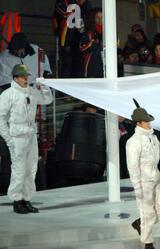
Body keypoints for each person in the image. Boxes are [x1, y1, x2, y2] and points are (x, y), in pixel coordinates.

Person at [0, 64, 53, 214]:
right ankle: (17, 201)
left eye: (26, 76)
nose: (26, 78)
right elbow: (0, 118)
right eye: (23, 76)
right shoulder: (8, 94)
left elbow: (47, 100)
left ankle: (26, 199)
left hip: (30, 133)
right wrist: (8, 138)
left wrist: (44, 87)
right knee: (19, 168)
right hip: (17, 136)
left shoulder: (31, 91)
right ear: (15, 78)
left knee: (31, 169)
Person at [127, 102, 160, 249]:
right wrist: (137, 186)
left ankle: (141, 223)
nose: (149, 123)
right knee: (148, 213)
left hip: (155, 178)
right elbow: (132, 167)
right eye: (147, 121)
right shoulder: (133, 142)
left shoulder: (152, 138)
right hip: (144, 182)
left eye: (149, 120)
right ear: (139, 123)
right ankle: (147, 242)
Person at [53, 0, 91, 79]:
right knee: (66, 66)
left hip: (79, 40)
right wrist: (77, 5)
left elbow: (88, 14)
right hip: (66, 40)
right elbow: (64, 13)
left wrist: (82, 4)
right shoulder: (63, 2)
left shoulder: (84, 4)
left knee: (78, 67)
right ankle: (64, 90)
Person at [80, 8, 103, 78]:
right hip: (92, 64)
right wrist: (94, 44)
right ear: (93, 19)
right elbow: (81, 48)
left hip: (106, 63)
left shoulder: (109, 31)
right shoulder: (89, 32)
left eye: (102, 17)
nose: (100, 20)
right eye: (97, 17)